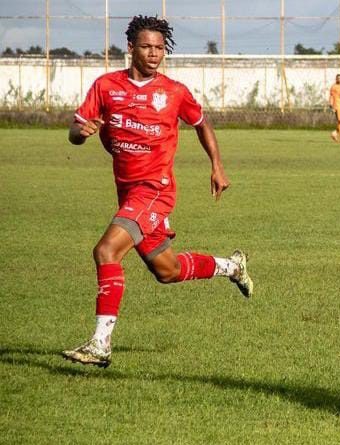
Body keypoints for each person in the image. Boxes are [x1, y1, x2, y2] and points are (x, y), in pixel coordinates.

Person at [61, 15, 254, 368]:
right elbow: (75, 131)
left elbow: (201, 123)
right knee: (167, 271)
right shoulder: (106, 87)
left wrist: (217, 164)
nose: (154, 54)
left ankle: (100, 344)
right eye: (147, 47)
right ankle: (232, 267)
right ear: (131, 48)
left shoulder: (174, 91)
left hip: (155, 190)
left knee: (106, 251)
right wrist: (82, 132)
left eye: (160, 48)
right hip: (128, 191)